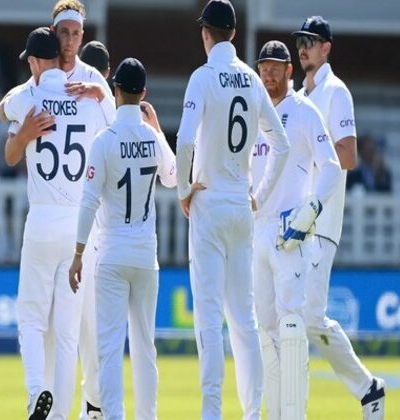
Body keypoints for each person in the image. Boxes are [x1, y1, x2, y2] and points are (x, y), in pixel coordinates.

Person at [175, 1, 290, 418]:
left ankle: (212, 413)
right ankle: (253, 413)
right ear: (234, 35)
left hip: (209, 203)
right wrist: (257, 193)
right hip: (240, 203)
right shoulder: (250, 78)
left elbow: (185, 141)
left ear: (207, 33)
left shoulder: (202, 77)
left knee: (209, 316)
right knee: (245, 319)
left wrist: (184, 190)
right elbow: (282, 144)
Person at [0, 26, 109, 420]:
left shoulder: (28, 96)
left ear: (33, 62)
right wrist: (102, 93)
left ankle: (35, 394)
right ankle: (60, 414)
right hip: (77, 225)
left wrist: (25, 124)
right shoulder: (89, 97)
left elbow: (2, 110)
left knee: (30, 319)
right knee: (66, 334)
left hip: (42, 218)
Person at [69, 57, 176, 420]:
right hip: (146, 255)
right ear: (142, 93)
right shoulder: (150, 137)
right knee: (145, 346)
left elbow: (88, 201)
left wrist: (79, 252)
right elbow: (174, 177)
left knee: (110, 348)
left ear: (116, 91)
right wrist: (159, 130)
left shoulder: (104, 141)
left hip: (112, 253)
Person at [292, 16, 386, 419]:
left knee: (310, 318)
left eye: (311, 42)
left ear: (326, 47)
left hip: (322, 222)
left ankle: (368, 388)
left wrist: (313, 147)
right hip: (289, 224)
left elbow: (346, 156)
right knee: (288, 320)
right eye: (300, 42)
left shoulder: (336, 92)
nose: (303, 49)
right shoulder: (297, 94)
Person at [252, 40, 342, 419]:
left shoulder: (304, 113)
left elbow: (333, 167)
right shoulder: (253, 113)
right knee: (266, 330)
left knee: (291, 327)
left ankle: (294, 415)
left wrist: (310, 210)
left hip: (291, 234)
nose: (269, 74)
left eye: (276, 67)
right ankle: (275, 413)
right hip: (257, 232)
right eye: (264, 67)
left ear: (290, 71)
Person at [77, 37, 111, 420]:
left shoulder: (84, 102)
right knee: (97, 334)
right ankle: (95, 409)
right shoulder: (109, 108)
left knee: (76, 333)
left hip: (77, 230)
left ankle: (91, 408)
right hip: (102, 235)